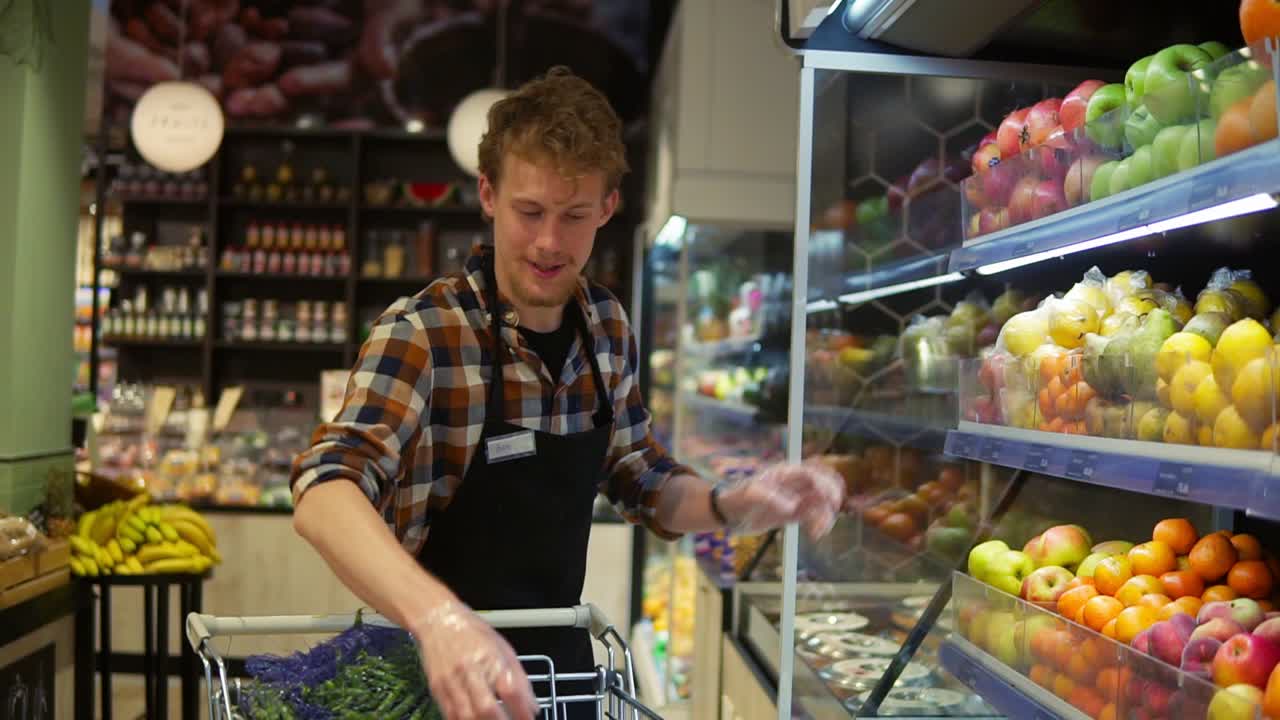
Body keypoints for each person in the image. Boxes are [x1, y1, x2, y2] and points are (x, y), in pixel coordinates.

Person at [290, 66, 844, 720]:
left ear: (607, 208)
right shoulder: (425, 334)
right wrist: (440, 618)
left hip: (558, 676)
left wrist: (732, 502)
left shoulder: (606, 327)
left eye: (574, 215)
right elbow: (325, 487)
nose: (549, 243)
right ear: (489, 195)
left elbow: (639, 477)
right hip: (431, 680)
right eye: (529, 212)